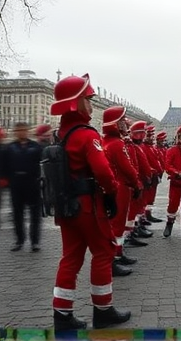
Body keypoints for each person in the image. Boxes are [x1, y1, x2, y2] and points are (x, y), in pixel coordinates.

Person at [50, 74, 131, 331]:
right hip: (87, 206)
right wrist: (111, 193)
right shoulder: (86, 135)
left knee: (70, 257)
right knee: (104, 252)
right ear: (76, 102)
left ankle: (62, 315)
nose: (91, 104)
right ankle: (103, 310)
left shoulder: (60, 134)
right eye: (88, 99)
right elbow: (104, 172)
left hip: (65, 206)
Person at [102, 105, 142, 275]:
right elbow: (128, 168)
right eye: (122, 122)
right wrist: (136, 183)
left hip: (113, 187)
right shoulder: (117, 145)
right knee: (117, 225)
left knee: (115, 224)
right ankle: (113, 260)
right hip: (121, 187)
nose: (126, 125)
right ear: (115, 125)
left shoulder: (107, 142)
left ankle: (117, 254)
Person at [3, 122, 43, 252]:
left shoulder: (36, 147)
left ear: (28, 131)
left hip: (33, 184)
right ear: (15, 132)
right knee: (17, 214)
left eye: (24, 130)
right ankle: (19, 240)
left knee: (35, 215)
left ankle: (35, 242)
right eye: (19, 130)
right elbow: (4, 166)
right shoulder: (10, 148)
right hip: (16, 184)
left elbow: (42, 165)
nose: (22, 132)